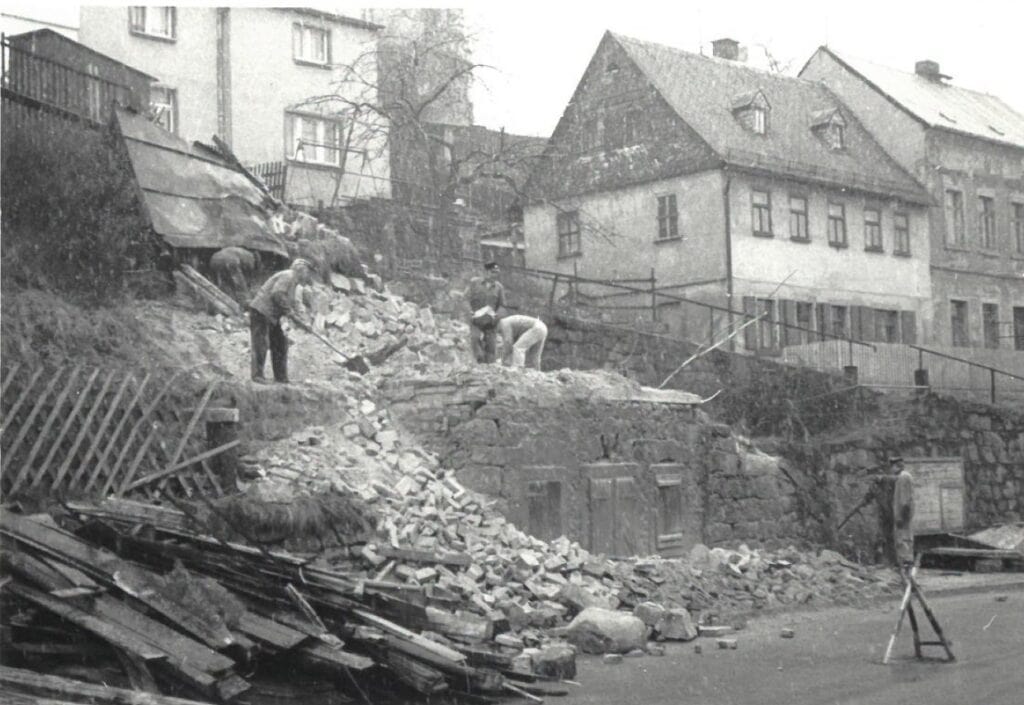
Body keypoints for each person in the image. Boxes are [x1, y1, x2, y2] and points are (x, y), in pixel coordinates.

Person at [248, 258, 314, 384]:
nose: (308, 276)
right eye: (307, 272)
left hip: (272, 315)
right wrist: (289, 312)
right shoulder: (288, 276)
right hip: (261, 311)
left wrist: (304, 322)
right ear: (301, 270)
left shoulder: (295, 284)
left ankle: (281, 377)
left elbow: (294, 304)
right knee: (261, 343)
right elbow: (277, 294)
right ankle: (257, 376)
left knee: (280, 343)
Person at [467, 261, 506, 363]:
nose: (495, 275)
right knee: (474, 340)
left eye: (497, 273)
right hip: (476, 320)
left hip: (490, 322)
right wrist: (469, 312)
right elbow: (465, 299)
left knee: (491, 347)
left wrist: (496, 317)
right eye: (493, 272)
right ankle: (480, 363)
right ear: (486, 272)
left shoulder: (499, 287)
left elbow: (502, 305)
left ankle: (489, 369)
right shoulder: (474, 283)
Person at [891, 457, 915, 569]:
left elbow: (904, 500)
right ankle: (907, 560)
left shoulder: (903, 477)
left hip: (903, 513)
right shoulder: (905, 476)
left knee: (903, 537)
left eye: (893, 466)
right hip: (904, 512)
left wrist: (901, 516)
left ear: (898, 466)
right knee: (906, 536)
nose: (892, 469)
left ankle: (906, 561)